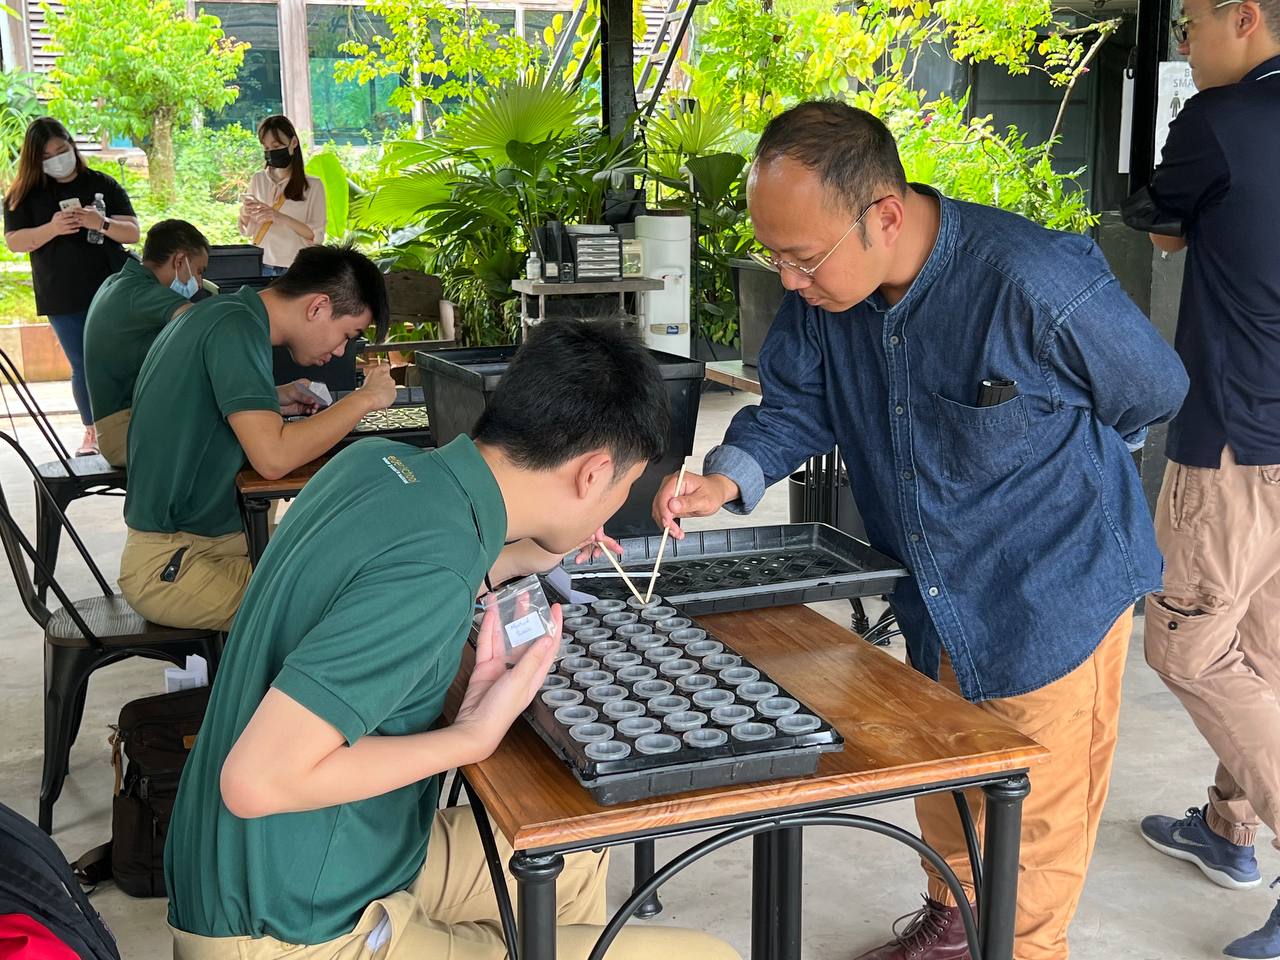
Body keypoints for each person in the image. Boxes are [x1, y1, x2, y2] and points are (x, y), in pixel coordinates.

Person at [652, 101, 1188, 960]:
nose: (789, 280)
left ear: (885, 215)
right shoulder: (830, 294)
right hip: (933, 584)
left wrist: (1066, 462)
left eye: (803, 258)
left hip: (1052, 588)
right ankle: (951, 922)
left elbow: (1150, 388)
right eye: (775, 257)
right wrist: (727, 476)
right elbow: (799, 404)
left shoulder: (1030, 279)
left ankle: (1017, 948)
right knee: (945, 766)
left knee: (1034, 811)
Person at [163, 320, 738, 960]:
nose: (613, 508)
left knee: (572, 859)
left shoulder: (380, 465)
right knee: (703, 955)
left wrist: (527, 557)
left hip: (263, 859)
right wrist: (472, 737)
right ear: (593, 472)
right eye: (623, 487)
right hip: (287, 924)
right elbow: (257, 781)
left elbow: (391, 580)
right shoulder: (433, 571)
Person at [1121, 2, 1280, 956]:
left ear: (1245, 17)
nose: (1183, 43)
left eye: (1189, 24)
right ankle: (1231, 827)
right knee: (1262, 650)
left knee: (1185, 650)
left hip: (1233, 440)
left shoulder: (1219, 123)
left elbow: (1165, 231)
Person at [117, 244, 396, 632]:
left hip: (209, 539)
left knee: (351, 554)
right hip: (175, 562)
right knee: (346, 613)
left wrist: (273, 397)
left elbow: (201, 403)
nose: (339, 351)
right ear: (317, 307)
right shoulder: (235, 328)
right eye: (347, 335)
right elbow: (274, 458)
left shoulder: (228, 315)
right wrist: (367, 398)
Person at [2, 117, 140, 455]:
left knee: (121, 359)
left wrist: (101, 222)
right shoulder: (24, 195)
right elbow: (15, 242)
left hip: (111, 289)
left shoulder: (102, 183)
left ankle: (133, 424)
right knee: (83, 363)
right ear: (36, 160)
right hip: (61, 293)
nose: (57, 159)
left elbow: (133, 231)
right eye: (47, 156)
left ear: (72, 146)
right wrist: (51, 228)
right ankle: (93, 430)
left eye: (62, 150)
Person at [83, 219, 211, 467]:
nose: (200, 281)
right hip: (126, 433)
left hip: (127, 423)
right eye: (199, 271)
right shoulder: (142, 293)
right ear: (179, 260)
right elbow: (206, 325)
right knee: (250, 446)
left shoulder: (119, 282)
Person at [239, 115, 325, 276]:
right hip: (261, 264)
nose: (271, 152)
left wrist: (279, 217)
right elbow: (248, 229)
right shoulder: (258, 179)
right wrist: (245, 212)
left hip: (295, 267)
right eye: (266, 148)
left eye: (276, 145)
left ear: (293, 143)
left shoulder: (313, 185)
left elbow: (316, 235)